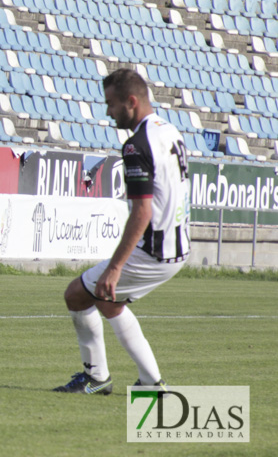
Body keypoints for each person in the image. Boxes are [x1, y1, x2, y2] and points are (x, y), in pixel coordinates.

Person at [54, 69, 190, 395]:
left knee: (76, 293)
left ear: (131, 101)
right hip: (177, 246)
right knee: (107, 301)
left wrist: (115, 267)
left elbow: (142, 211)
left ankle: (99, 378)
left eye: (111, 104)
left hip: (154, 249)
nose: (108, 112)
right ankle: (147, 381)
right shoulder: (169, 131)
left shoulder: (135, 146)